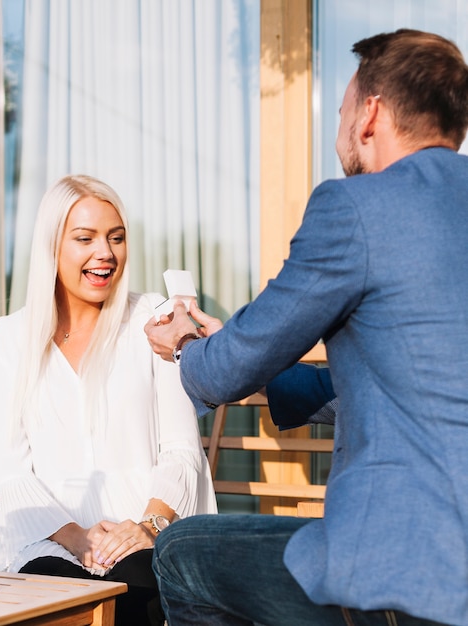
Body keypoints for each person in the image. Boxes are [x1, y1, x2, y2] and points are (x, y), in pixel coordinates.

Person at [144, 29, 468, 625]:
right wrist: (249, 360)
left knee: (183, 551)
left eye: (341, 108)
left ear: (370, 113)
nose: (340, 124)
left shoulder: (358, 207)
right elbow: (413, 377)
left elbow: (224, 371)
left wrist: (190, 346)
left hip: (412, 569)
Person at [0, 174, 217, 626]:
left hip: (146, 530)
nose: (105, 253)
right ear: (51, 247)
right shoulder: (7, 340)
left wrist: (147, 528)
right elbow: (9, 472)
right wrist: (79, 539)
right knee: (51, 592)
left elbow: (182, 450)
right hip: (48, 537)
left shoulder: (154, 321)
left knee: (135, 584)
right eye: (85, 238)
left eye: (116, 238)